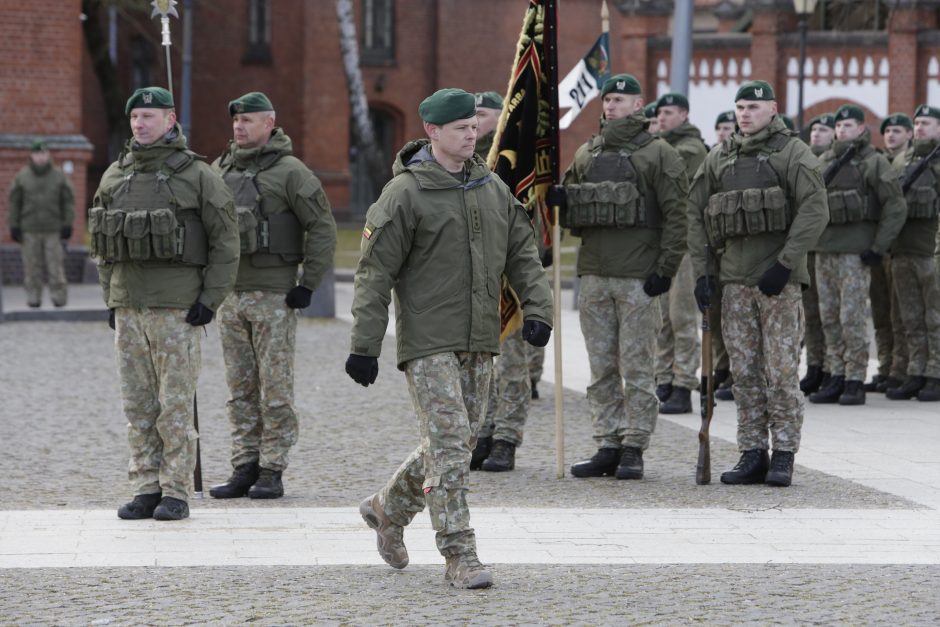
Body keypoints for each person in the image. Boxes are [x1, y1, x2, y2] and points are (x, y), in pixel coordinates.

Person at [346, 88, 552, 589]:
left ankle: (387, 508)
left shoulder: (492, 188)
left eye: (473, 127)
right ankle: (460, 554)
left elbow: (523, 251)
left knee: (451, 444)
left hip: (481, 338)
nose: (471, 134)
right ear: (433, 132)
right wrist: (365, 344)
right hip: (428, 339)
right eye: (460, 129)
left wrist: (538, 307)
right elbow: (374, 273)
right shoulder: (405, 193)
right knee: (452, 447)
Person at [92, 86, 239, 520]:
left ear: (171, 120)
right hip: (129, 306)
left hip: (177, 307)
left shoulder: (197, 176)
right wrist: (110, 298)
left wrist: (211, 299)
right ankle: (145, 485)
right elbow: (102, 241)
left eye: (149, 116)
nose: (140, 124)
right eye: (135, 117)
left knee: (174, 404)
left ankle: (176, 490)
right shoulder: (114, 176)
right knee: (138, 404)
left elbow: (225, 241)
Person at [688, 80, 828, 487]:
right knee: (744, 373)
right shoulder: (720, 158)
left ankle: (783, 453)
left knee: (781, 371)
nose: (744, 114)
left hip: (776, 283)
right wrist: (703, 273)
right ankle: (751, 451)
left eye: (752, 106)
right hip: (733, 282)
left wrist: (786, 264)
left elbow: (814, 211)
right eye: (739, 107)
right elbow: (695, 214)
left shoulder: (793, 153)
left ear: (772, 109)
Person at [553, 74, 688, 481]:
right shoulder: (586, 152)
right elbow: (570, 204)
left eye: (620, 100)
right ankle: (607, 442)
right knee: (601, 369)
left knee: (638, 368)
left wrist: (664, 271)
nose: (611, 106)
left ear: (638, 104)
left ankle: (634, 446)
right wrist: (560, 202)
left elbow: (677, 217)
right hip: (594, 275)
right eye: (607, 99)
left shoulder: (659, 154)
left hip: (637, 278)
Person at [208, 92, 337, 500]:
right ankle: (244, 464)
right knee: (239, 388)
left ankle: (272, 468)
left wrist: (308, 283)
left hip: (275, 296)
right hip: (231, 296)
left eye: (248, 121)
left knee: (275, 388)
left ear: (270, 123)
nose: (239, 127)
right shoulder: (218, 170)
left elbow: (321, 227)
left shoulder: (291, 172)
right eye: (235, 121)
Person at [808, 104, 905, 406]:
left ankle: (854, 378)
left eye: (849, 126)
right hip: (824, 252)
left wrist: (878, 247)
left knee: (851, 318)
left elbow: (895, 206)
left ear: (862, 129)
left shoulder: (873, 163)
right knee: (830, 318)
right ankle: (835, 375)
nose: (842, 131)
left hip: (856, 254)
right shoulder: (824, 161)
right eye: (839, 126)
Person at [654, 92, 706, 414]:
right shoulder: (659, 144)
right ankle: (664, 378)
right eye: (659, 112)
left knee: (682, 317)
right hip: (662, 244)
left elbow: (665, 171)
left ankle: (685, 383)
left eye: (669, 112)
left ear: (684, 115)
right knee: (661, 318)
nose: (661, 117)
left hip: (685, 244)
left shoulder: (691, 148)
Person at [886, 104, 940, 402]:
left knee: (935, 317)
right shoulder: (900, 161)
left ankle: (935, 373)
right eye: (917, 122)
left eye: (926, 123)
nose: (919, 128)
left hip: (930, 250)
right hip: (903, 249)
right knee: (910, 317)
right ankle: (916, 371)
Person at [868, 113, 914, 392]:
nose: (891, 135)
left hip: (904, 247)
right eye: (888, 131)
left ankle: (903, 367)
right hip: (878, 249)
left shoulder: (914, 163)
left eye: (898, 131)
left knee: (902, 313)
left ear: (909, 134)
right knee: (881, 311)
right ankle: (886, 367)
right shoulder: (881, 162)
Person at [8, 139, 74, 308]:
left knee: (55, 267)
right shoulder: (22, 177)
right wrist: (14, 225)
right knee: (31, 267)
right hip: (29, 229)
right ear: (32, 155)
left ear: (48, 154)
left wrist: (67, 223)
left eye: (43, 153)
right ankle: (33, 298)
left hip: (53, 229)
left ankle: (59, 299)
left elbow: (68, 202)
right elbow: (15, 202)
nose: (40, 157)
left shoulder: (59, 176)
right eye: (37, 153)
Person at [799, 112, 836, 395]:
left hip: (829, 248)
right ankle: (814, 365)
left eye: (824, 130)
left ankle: (832, 369)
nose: (816, 134)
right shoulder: (803, 160)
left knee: (831, 313)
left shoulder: (836, 161)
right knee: (810, 313)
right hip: (805, 250)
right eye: (814, 130)